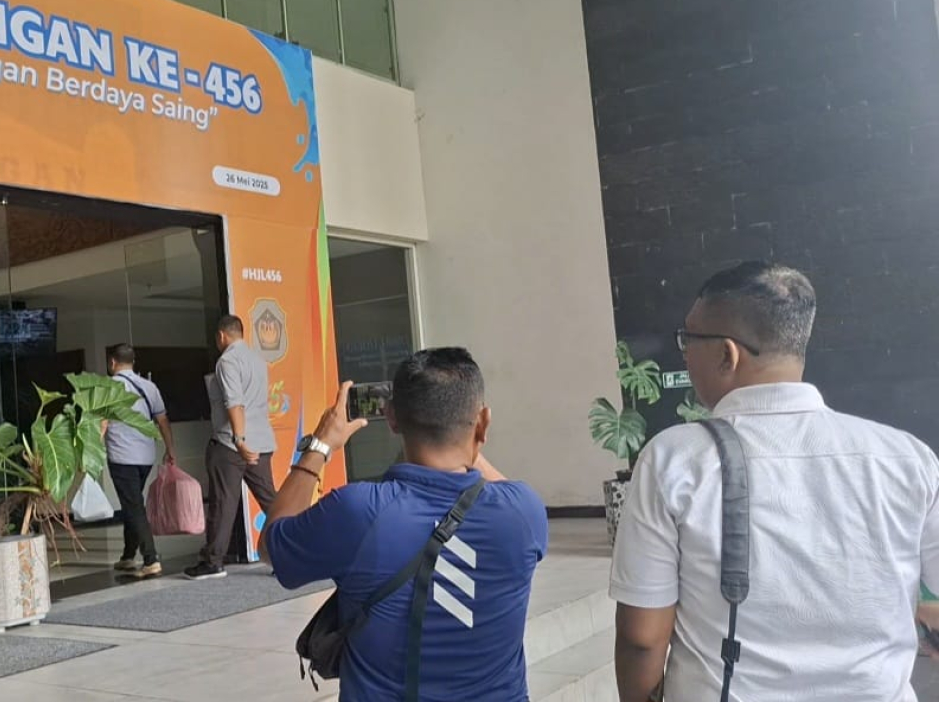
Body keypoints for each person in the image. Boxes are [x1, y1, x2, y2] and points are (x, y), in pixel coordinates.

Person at [611, 261, 939, 702]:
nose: (683, 355)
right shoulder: (907, 458)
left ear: (727, 354)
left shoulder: (674, 459)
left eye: (688, 340)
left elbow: (642, 639)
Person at [261, 348, 548, 701]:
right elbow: (492, 482)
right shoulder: (524, 512)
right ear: (483, 422)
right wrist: (470, 434)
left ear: (391, 418)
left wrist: (320, 445)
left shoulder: (357, 511)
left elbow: (272, 546)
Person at [184, 315, 278, 581]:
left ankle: (213, 562)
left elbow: (234, 403)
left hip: (231, 444)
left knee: (224, 503)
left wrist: (239, 439)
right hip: (262, 442)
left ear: (221, 336)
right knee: (272, 501)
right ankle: (297, 551)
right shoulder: (258, 360)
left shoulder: (227, 361)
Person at [105, 343, 176, 578]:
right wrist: (170, 449)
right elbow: (163, 421)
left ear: (112, 362)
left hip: (122, 456)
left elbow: (102, 423)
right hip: (145, 456)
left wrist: (91, 452)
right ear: (133, 362)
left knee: (134, 505)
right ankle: (128, 556)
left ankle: (151, 559)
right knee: (132, 502)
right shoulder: (149, 386)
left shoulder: (108, 388)